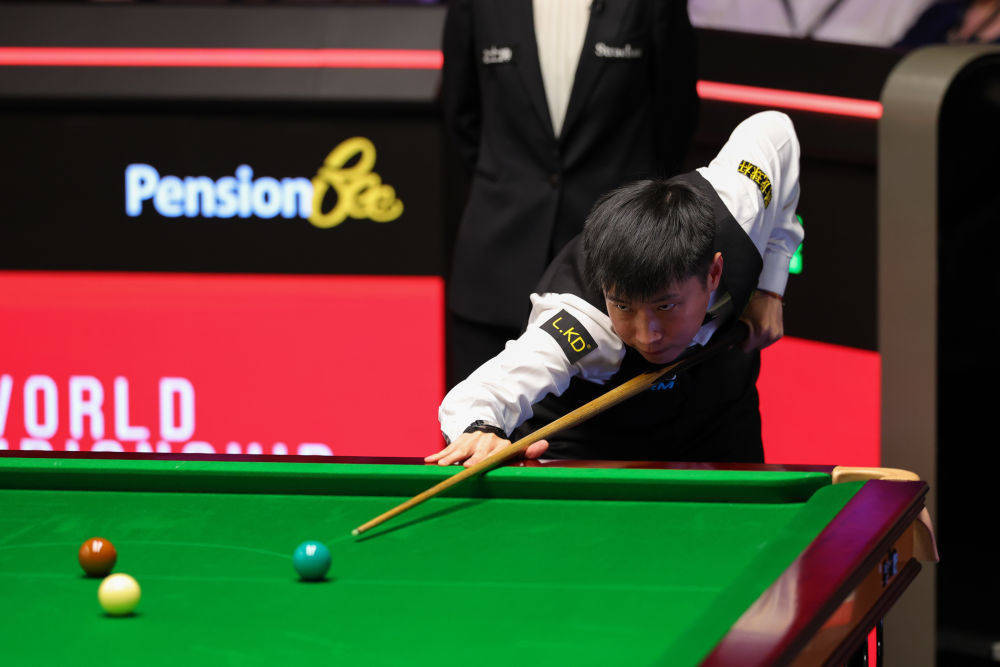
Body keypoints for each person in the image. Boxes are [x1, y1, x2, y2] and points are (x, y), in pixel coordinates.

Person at [427, 111, 802, 466]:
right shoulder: (582, 323)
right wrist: (481, 431)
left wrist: (770, 285)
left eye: (665, 306)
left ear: (714, 272)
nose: (647, 335)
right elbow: (486, 392)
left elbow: (776, 130)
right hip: (591, 432)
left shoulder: (738, 207)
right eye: (623, 307)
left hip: (716, 404)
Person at [441, 0, 698, 387]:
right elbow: (461, 115)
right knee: (478, 420)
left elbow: (675, 118)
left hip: (618, 283)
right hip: (495, 276)